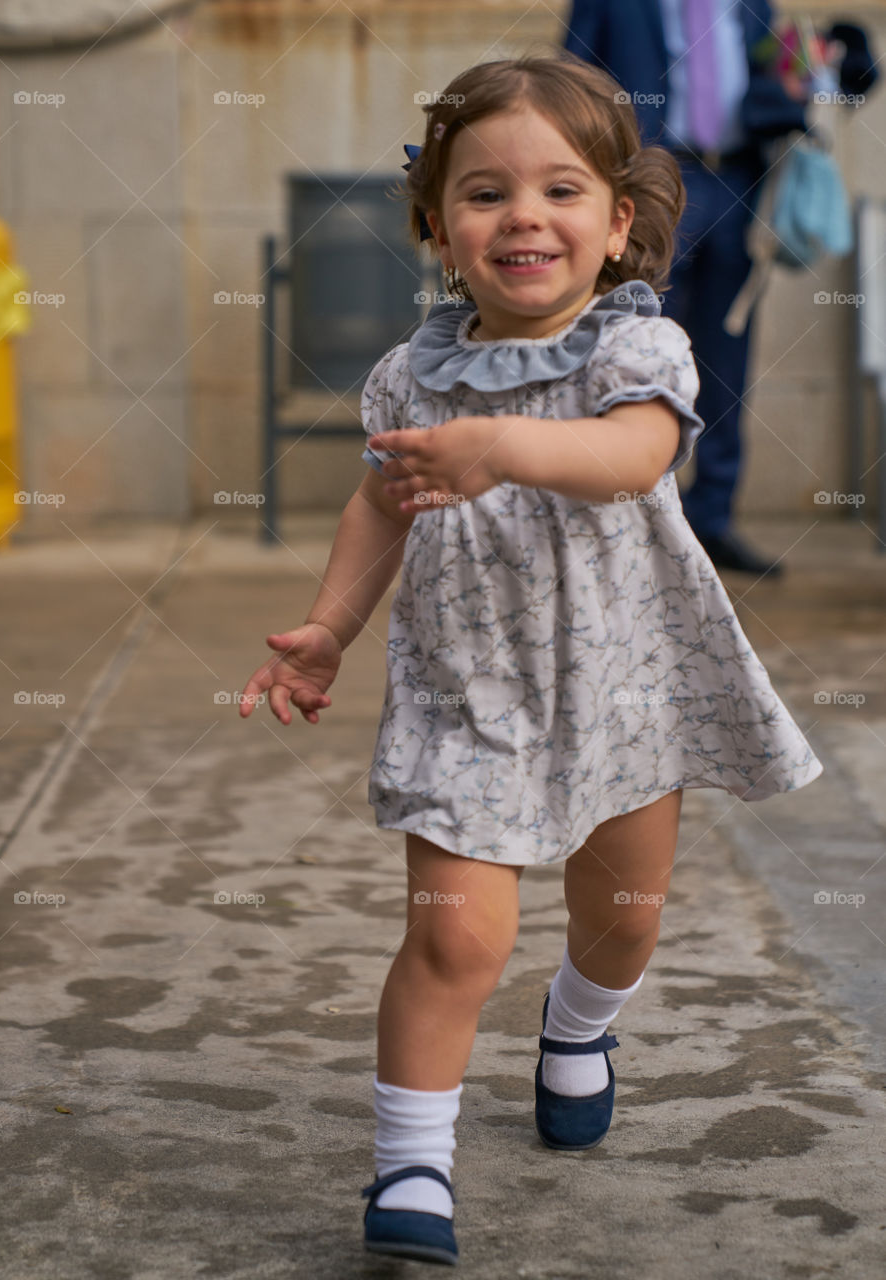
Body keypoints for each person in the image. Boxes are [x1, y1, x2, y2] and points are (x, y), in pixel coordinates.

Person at [239, 52, 824, 1267]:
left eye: (561, 191)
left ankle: (578, 1022)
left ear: (616, 226)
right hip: (474, 689)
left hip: (624, 686)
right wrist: (330, 627)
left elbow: (633, 462)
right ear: (438, 227)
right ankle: (411, 1163)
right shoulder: (411, 374)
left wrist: (501, 444)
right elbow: (378, 508)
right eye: (484, 192)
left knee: (622, 917)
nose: (523, 217)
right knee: (455, 935)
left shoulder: (636, 349)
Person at [564, 1, 876, 577]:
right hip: (653, 177)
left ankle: (710, 522)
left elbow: (775, 74)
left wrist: (816, 71)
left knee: (726, 358)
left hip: (739, 179)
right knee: (631, 349)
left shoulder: (751, 4)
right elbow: (570, 77)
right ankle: (626, 518)